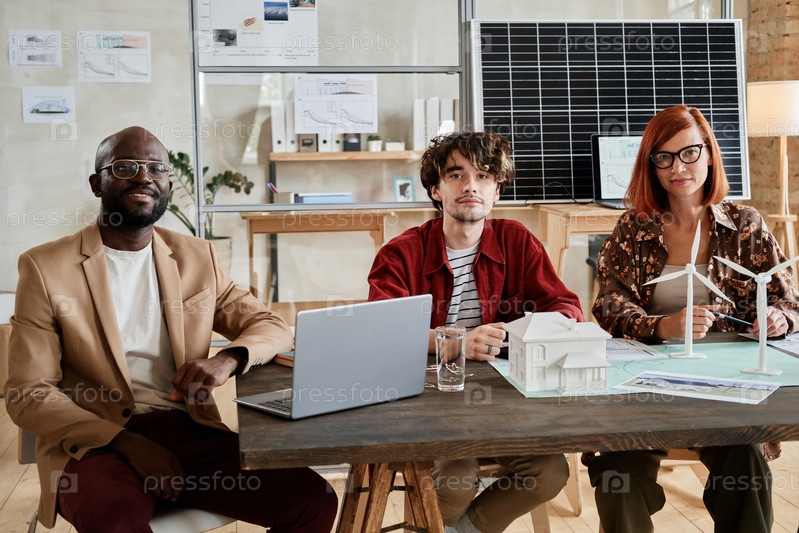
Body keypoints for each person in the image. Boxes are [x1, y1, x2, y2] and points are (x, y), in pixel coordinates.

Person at [4, 126, 337, 533]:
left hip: (187, 430)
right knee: (114, 519)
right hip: (95, 441)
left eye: (156, 168)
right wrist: (125, 442)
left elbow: (270, 325)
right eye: (125, 167)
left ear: (168, 185)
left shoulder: (196, 256)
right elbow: (28, 392)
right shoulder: (45, 268)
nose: (143, 177)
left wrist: (228, 359)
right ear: (97, 183)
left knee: (313, 500)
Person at [589, 105, 799, 533]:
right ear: (651, 165)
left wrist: (778, 317)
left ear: (709, 154)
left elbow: (790, 301)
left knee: (746, 463)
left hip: (726, 387)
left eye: (689, 153)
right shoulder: (633, 228)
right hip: (644, 386)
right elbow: (609, 304)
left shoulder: (745, 225)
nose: (677, 168)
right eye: (663, 157)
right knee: (618, 476)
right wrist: (662, 327)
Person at [367, 131, 583, 533]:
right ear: (436, 190)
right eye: (456, 175)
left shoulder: (517, 241)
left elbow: (566, 308)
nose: (471, 186)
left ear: (496, 191)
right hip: (430, 402)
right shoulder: (401, 253)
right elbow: (379, 334)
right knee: (455, 482)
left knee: (550, 472)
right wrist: (457, 342)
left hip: (505, 400)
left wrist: (518, 332)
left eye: (483, 176)